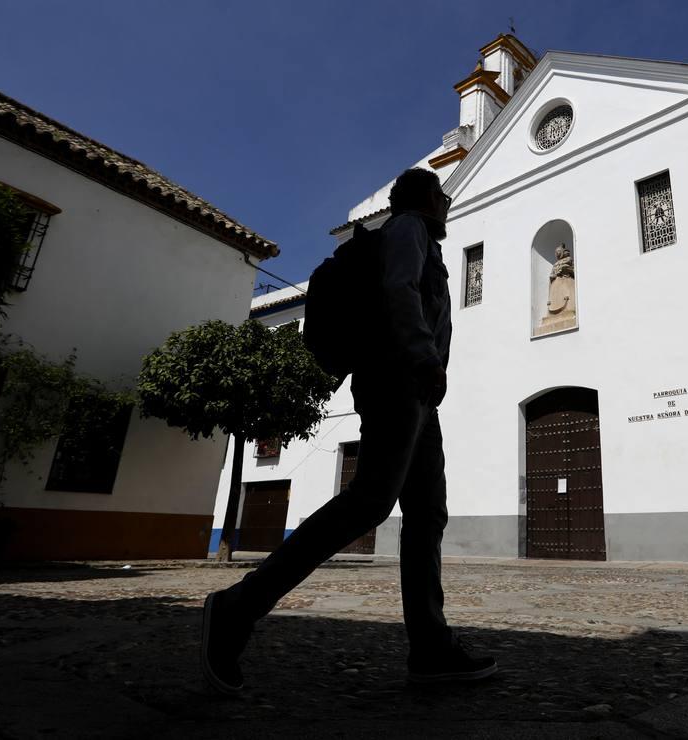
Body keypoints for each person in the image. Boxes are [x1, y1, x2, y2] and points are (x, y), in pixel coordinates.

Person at [200, 167, 497, 695]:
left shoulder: (425, 241)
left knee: (427, 514)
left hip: (417, 392)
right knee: (371, 501)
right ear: (427, 199)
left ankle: (431, 647)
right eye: (442, 196)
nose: (448, 204)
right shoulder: (408, 228)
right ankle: (236, 607)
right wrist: (425, 357)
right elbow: (399, 289)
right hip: (398, 378)